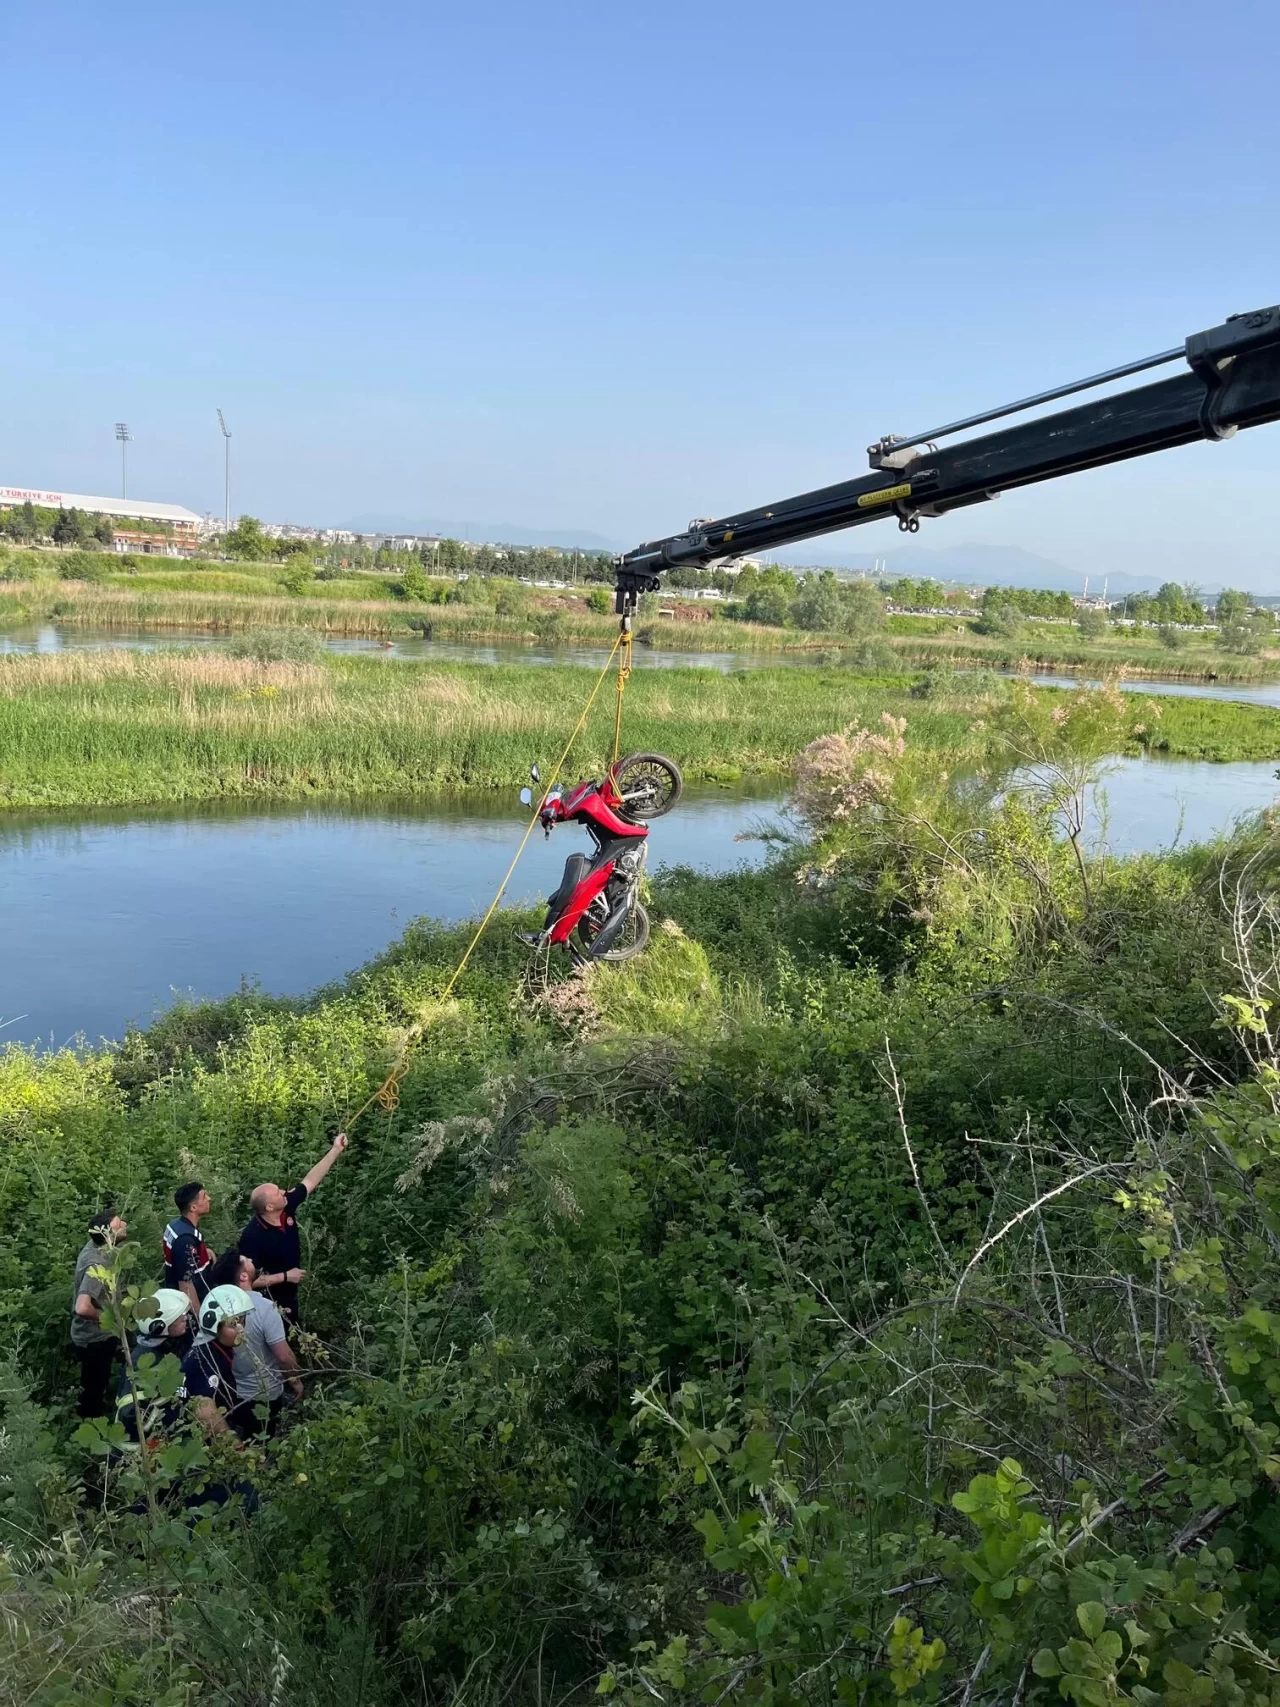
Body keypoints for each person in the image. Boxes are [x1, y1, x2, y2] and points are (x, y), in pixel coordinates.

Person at [238, 1133, 348, 1324]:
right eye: (278, 1193)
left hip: (290, 1294)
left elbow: (310, 1181)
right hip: (268, 1301)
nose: (284, 1192)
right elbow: (246, 1281)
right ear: (269, 1207)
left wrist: (336, 1149)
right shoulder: (252, 1236)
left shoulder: (286, 1206)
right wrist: (286, 1276)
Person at [206, 1249, 301, 1438]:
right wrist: (296, 1380)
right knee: (263, 1440)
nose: (251, 1260)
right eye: (247, 1260)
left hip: (230, 1392)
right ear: (243, 1276)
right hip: (264, 1394)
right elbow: (283, 1356)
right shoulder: (265, 1308)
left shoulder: (215, 1307)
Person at [70, 1210, 129, 1417]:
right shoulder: (97, 1263)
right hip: (95, 1337)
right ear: (107, 1236)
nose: (125, 1224)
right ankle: (90, 1422)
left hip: (102, 1333)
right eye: (118, 1224)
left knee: (101, 1378)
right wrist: (109, 1320)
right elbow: (82, 1307)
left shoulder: (98, 1247)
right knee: (94, 1387)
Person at [115, 1287, 192, 1444]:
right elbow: (129, 1413)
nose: (187, 1319)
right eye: (182, 1317)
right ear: (160, 1326)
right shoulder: (147, 1363)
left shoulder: (164, 1347)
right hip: (143, 1449)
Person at [163, 1182, 215, 1309]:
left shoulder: (175, 1225)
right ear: (193, 1208)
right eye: (204, 1196)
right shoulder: (185, 1240)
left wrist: (203, 1251)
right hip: (197, 1299)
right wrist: (200, 1319)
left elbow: (177, 1256)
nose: (209, 1198)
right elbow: (186, 1286)